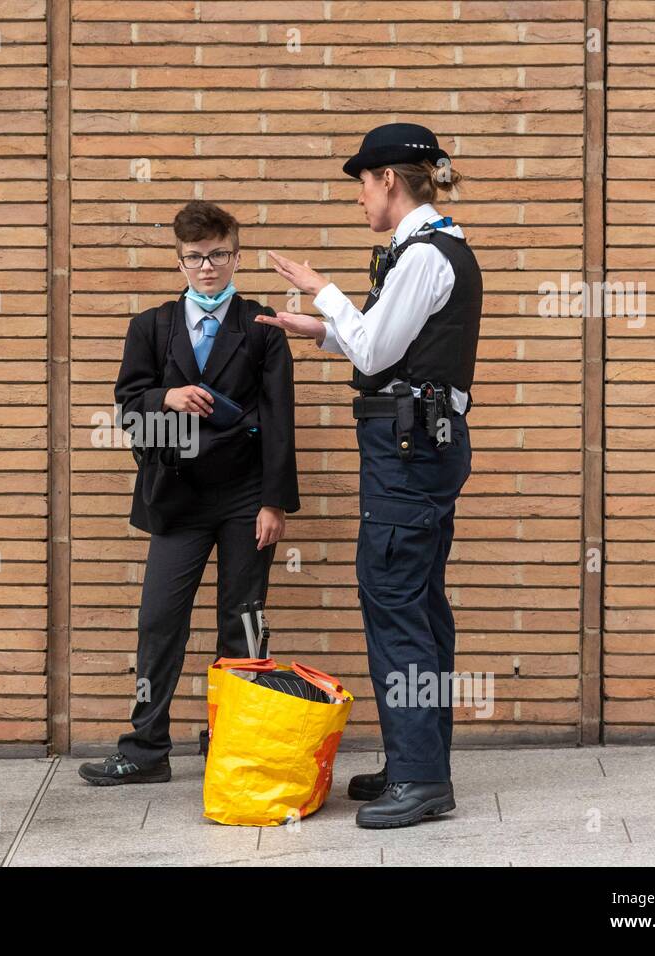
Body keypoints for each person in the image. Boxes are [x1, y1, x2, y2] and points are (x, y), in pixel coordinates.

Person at [259, 123, 482, 828]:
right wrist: (323, 329)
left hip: (408, 452)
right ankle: (416, 757)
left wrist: (325, 294)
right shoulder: (431, 247)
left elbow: (379, 350)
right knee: (418, 601)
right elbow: (385, 348)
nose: (358, 198)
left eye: (362, 182)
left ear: (389, 179)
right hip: (416, 444)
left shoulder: (423, 255)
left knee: (394, 599)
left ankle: (420, 777)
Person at [78, 200, 301, 785]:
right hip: (175, 496)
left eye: (218, 256)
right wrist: (166, 399)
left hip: (245, 497)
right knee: (159, 620)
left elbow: (280, 420)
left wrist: (274, 502)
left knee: (242, 619)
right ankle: (147, 749)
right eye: (195, 258)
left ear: (235, 256)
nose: (207, 268)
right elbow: (130, 410)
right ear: (179, 260)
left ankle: (232, 742)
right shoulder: (151, 327)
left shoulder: (262, 327)